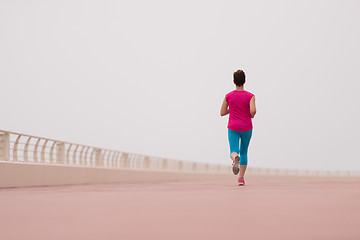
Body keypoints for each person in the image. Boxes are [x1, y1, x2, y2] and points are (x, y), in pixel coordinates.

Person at [220, 70, 256, 186]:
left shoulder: (228, 96)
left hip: (233, 127)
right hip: (246, 127)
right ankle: (241, 178)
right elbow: (253, 111)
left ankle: (235, 157)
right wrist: (251, 114)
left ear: (234, 81)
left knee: (233, 150)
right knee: (244, 151)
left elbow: (222, 112)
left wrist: (233, 109)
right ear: (245, 81)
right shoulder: (251, 96)